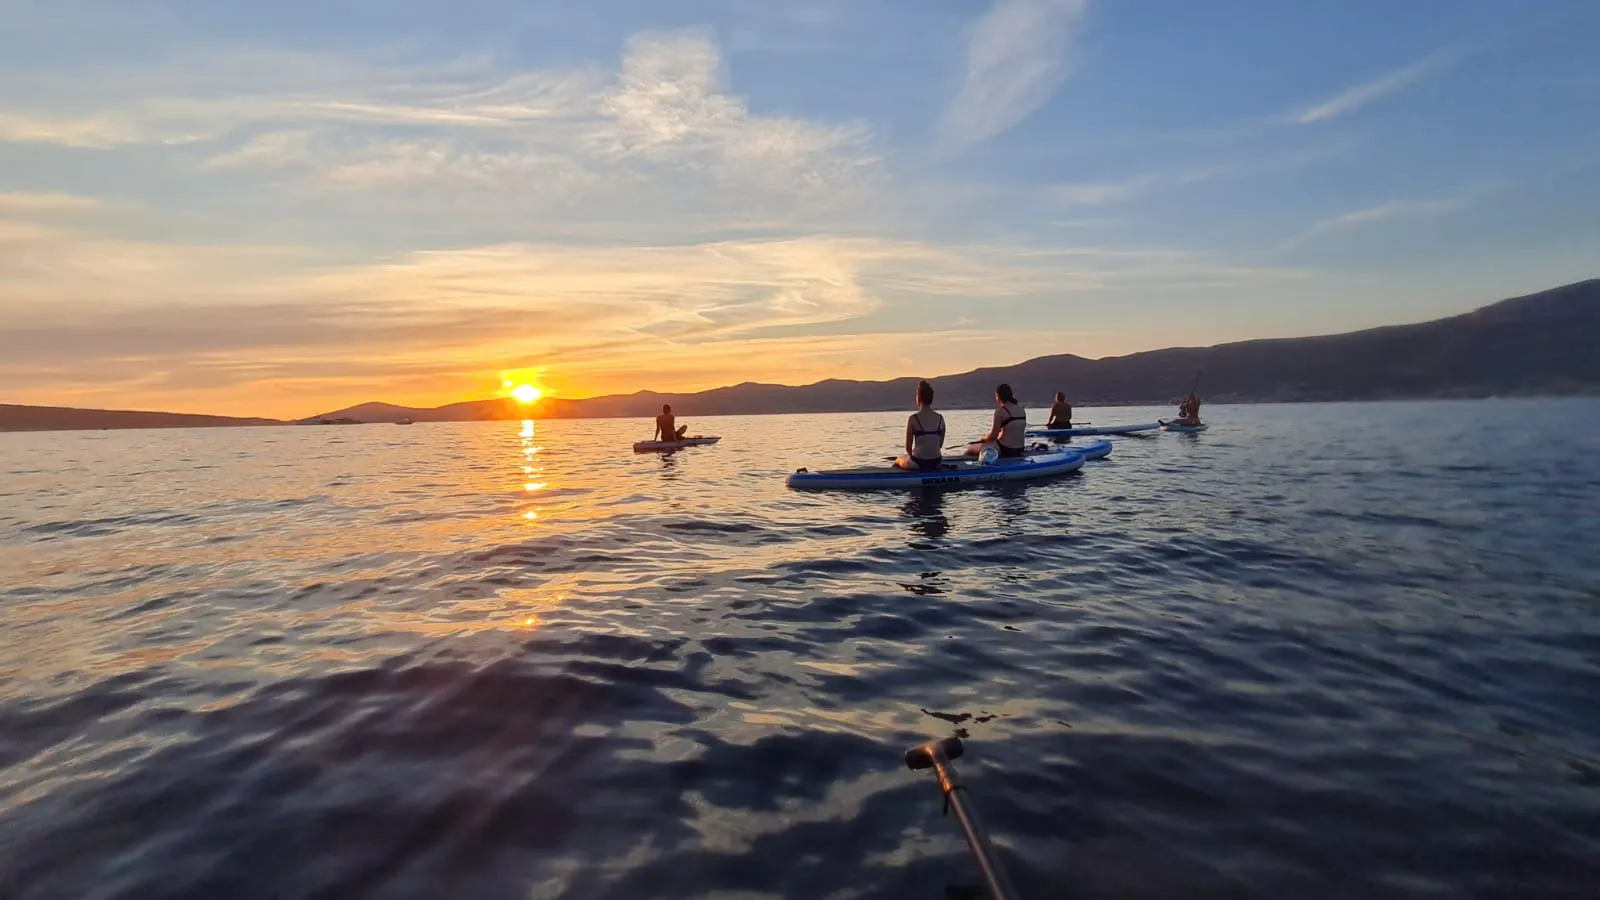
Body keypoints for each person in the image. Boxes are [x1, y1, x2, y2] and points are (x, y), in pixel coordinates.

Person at [895, 380, 946, 471]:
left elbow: (908, 449)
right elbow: (939, 445)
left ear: (918, 397)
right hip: (937, 461)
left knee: (899, 459)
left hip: (918, 462)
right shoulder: (940, 418)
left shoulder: (913, 419)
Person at [972, 383, 1027, 458]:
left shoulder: (1000, 412)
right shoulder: (1021, 409)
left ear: (998, 396)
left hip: (1006, 449)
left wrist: (983, 438)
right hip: (1020, 449)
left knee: (971, 449)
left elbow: (993, 436)